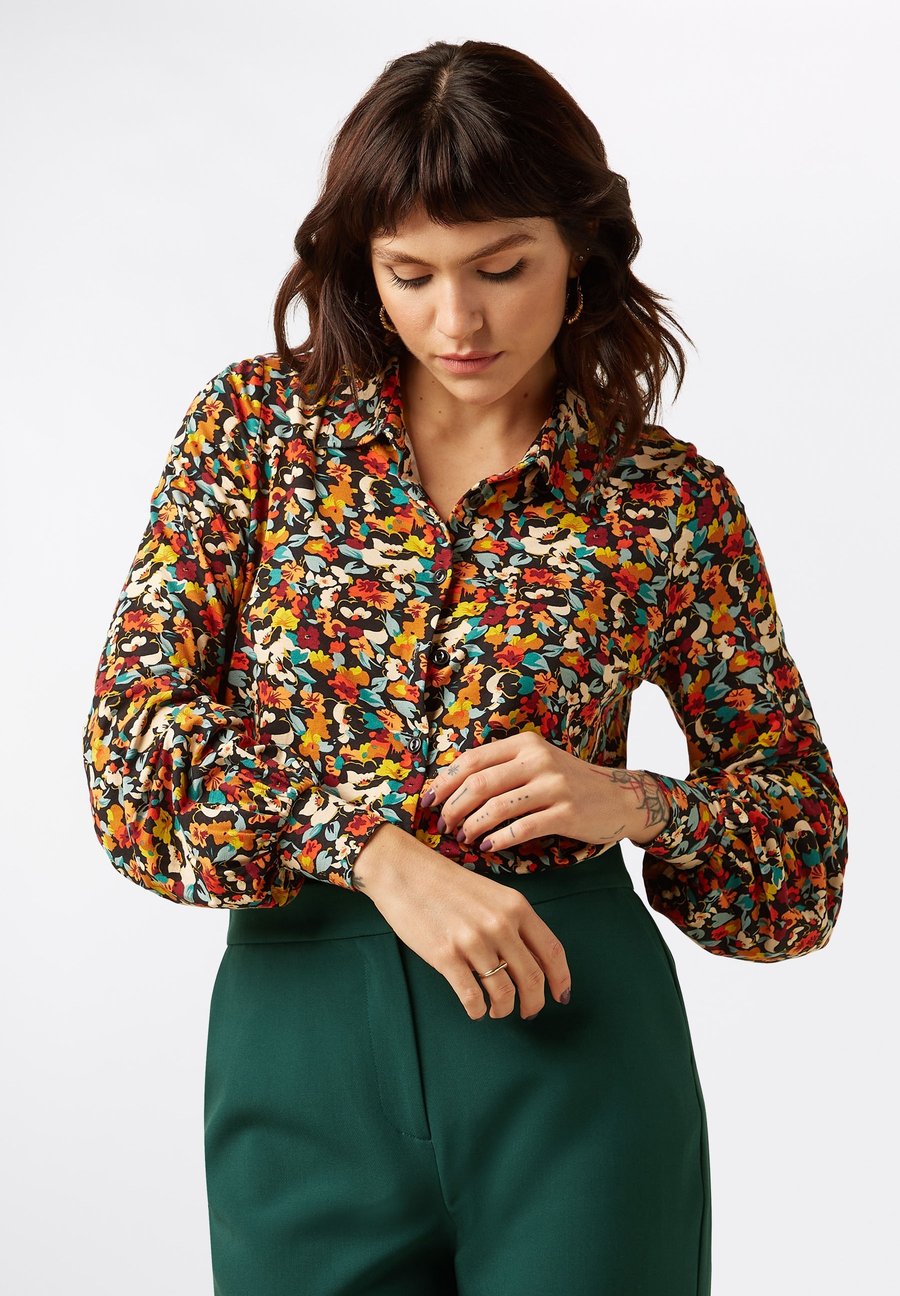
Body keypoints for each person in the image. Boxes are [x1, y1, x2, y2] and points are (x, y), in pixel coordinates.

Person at [81, 38, 848, 1296]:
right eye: (411, 274)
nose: (459, 321)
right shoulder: (256, 436)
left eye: (502, 267)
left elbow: (802, 866)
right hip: (300, 1051)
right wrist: (373, 853)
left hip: (577, 1049)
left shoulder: (666, 502)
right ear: (361, 266)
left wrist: (634, 802)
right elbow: (131, 750)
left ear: (580, 252)